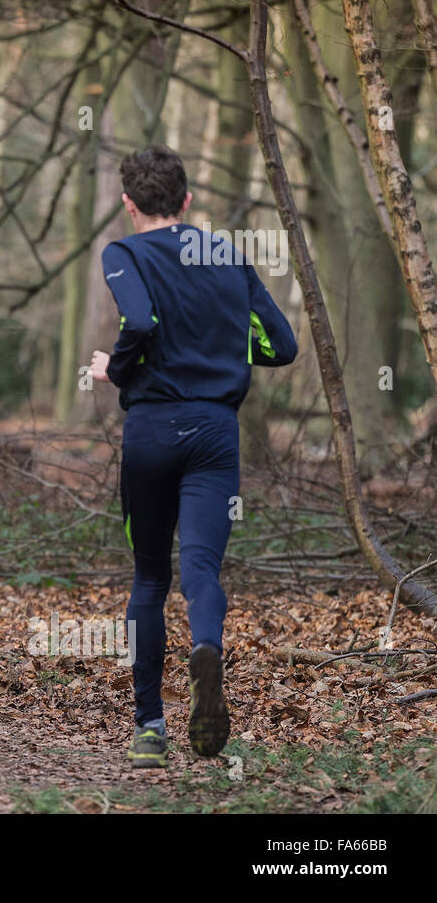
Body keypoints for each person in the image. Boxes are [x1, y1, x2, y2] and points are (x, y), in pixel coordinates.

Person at [89, 145, 297, 767]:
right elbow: (282, 345)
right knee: (201, 572)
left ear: (129, 205)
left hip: (152, 431)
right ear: (186, 201)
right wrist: (226, 357)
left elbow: (141, 321)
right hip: (215, 431)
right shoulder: (226, 255)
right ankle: (206, 648)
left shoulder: (124, 252)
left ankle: (150, 728)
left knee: (149, 579)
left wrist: (116, 371)